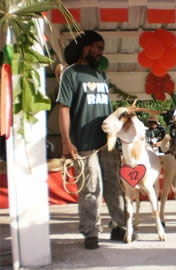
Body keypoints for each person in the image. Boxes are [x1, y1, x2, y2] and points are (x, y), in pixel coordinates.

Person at [57, 30, 127, 249]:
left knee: (114, 186)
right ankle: (91, 231)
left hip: (107, 142)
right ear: (84, 47)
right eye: (97, 47)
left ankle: (120, 226)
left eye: (102, 49)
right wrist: (67, 142)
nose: (100, 53)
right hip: (83, 144)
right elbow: (64, 109)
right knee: (90, 188)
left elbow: (105, 109)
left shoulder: (101, 75)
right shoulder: (70, 74)